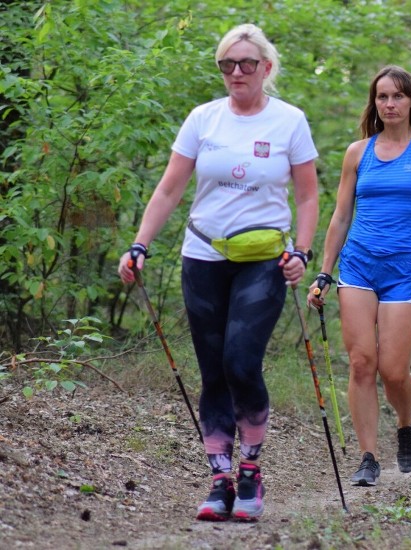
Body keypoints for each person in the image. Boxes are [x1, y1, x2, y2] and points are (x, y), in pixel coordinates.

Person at [117, 24, 319, 521]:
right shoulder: (202, 119)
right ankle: (218, 478)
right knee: (211, 369)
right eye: (226, 64)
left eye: (246, 63)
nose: (235, 72)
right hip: (203, 256)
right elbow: (169, 190)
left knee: (241, 362)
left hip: (264, 260)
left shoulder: (289, 121)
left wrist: (303, 252)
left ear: (266, 68)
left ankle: (250, 469)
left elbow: (308, 195)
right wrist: (140, 244)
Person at [307, 65, 411, 487]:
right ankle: (368, 455)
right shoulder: (357, 152)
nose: (389, 104)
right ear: (375, 103)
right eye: (382, 97)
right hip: (358, 265)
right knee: (361, 362)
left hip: (403, 267)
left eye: (398, 96)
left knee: (392, 369)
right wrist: (324, 272)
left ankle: (407, 423)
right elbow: (340, 215)